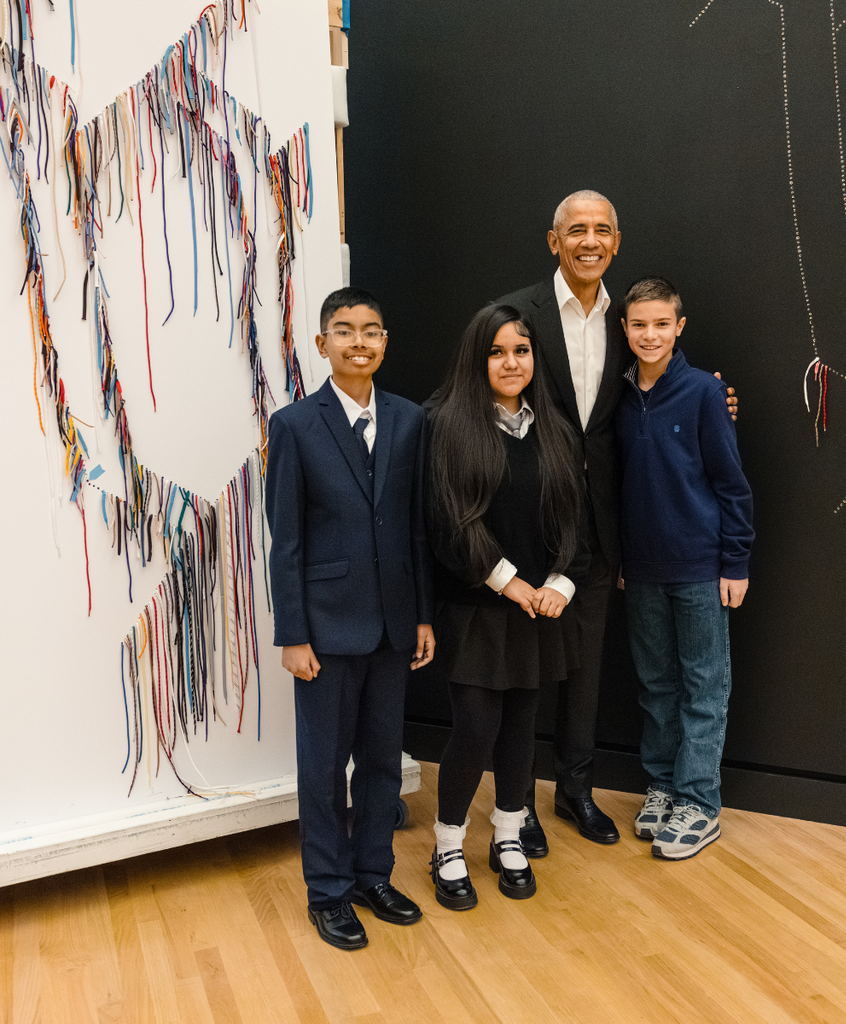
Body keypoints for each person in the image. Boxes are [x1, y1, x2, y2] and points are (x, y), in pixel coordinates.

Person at [497, 190, 738, 854]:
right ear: (555, 241)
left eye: (602, 229)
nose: (590, 240)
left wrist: (716, 401)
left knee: (587, 670)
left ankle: (575, 790)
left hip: (605, 529)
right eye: (576, 229)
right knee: (528, 671)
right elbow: (477, 388)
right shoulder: (517, 314)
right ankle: (517, 803)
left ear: (616, 241)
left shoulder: (625, 322)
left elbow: (660, 390)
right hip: (532, 521)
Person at [264, 287, 435, 950]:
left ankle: (372, 875)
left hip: (393, 624)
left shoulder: (409, 420)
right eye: (344, 330)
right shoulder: (294, 426)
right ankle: (329, 891)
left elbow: (416, 529)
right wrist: (292, 634)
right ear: (322, 344)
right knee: (323, 767)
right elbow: (286, 540)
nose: (358, 342)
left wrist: (422, 615)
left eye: (370, 331)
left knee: (382, 763)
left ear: (384, 342)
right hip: (326, 628)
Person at [425, 304, 587, 909]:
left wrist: (559, 584)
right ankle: (448, 843)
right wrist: (508, 581)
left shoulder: (555, 430)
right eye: (496, 352)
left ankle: (509, 834)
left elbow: (575, 521)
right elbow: (448, 524)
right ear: (478, 358)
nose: (510, 362)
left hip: (538, 607)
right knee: (476, 726)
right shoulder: (447, 425)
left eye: (521, 350)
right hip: (477, 605)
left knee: (521, 727)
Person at [616, 276, 753, 860]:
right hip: (641, 571)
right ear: (625, 328)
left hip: (700, 567)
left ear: (679, 327)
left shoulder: (703, 392)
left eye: (661, 324)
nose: (650, 335)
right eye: (639, 324)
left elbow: (731, 484)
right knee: (655, 685)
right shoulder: (618, 397)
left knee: (703, 687)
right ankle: (664, 785)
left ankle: (699, 801)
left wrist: (735, 561)